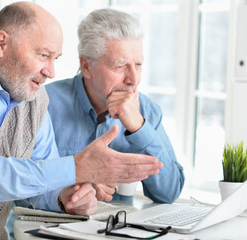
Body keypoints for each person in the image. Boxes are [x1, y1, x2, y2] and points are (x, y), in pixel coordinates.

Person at [0, 2, 163, 239]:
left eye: (55, 58)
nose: (51, 72)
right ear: (2, 43)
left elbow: (44, 179)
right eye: (43, 55)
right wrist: (76, 168)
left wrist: (66, 197)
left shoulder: (34, 99)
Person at [46, 8, 185, 204]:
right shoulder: (45, 104)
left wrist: (138, 126)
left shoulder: (147, 111)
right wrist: (77, 186)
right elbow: (18, 188)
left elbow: (169, 193)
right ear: (86, 66)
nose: (133, 80)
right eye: (120, 66)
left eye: (138, 64)